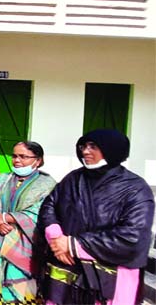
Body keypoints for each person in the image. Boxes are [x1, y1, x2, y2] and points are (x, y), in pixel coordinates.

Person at [38, 129, 154, 305]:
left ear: (113, 149)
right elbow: (49, 205)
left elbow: (133, 236)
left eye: (93, 146)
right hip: (66, 268)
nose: (85, 151)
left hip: (111, 278)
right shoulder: (73, 178)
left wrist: (72, 245)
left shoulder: (136, 188)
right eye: (83, 146)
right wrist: (55, 237)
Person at [0, 141, 56, 304]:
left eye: (23, 157)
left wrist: (4, 218)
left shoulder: (47, 184)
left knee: (21, 290)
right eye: (15, 156)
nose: (17, 160)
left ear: (37, 160)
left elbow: (42, 211)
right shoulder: (2, 179)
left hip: (25, 245)